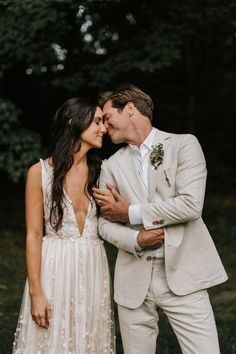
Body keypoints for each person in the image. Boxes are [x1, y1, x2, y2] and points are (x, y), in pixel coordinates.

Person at [93, 84, 228, 354]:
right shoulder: (110, 166)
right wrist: (136, 238)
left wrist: (130, 213)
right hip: (133, 279)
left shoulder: (183, 145)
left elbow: (190, 205)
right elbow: (104, 224)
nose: (105, 128)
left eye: (108, 118)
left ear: (130, 108)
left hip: (183, 273)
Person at [13, 97, 115, 354]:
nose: (104, 128)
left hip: (93, 266)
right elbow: (34, 235)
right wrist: (37, 294)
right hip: (55, 267)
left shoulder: (102, 171)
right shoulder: (39, 173)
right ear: (74, 122)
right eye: (97, 121)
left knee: (91, 336)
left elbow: (114, 219)